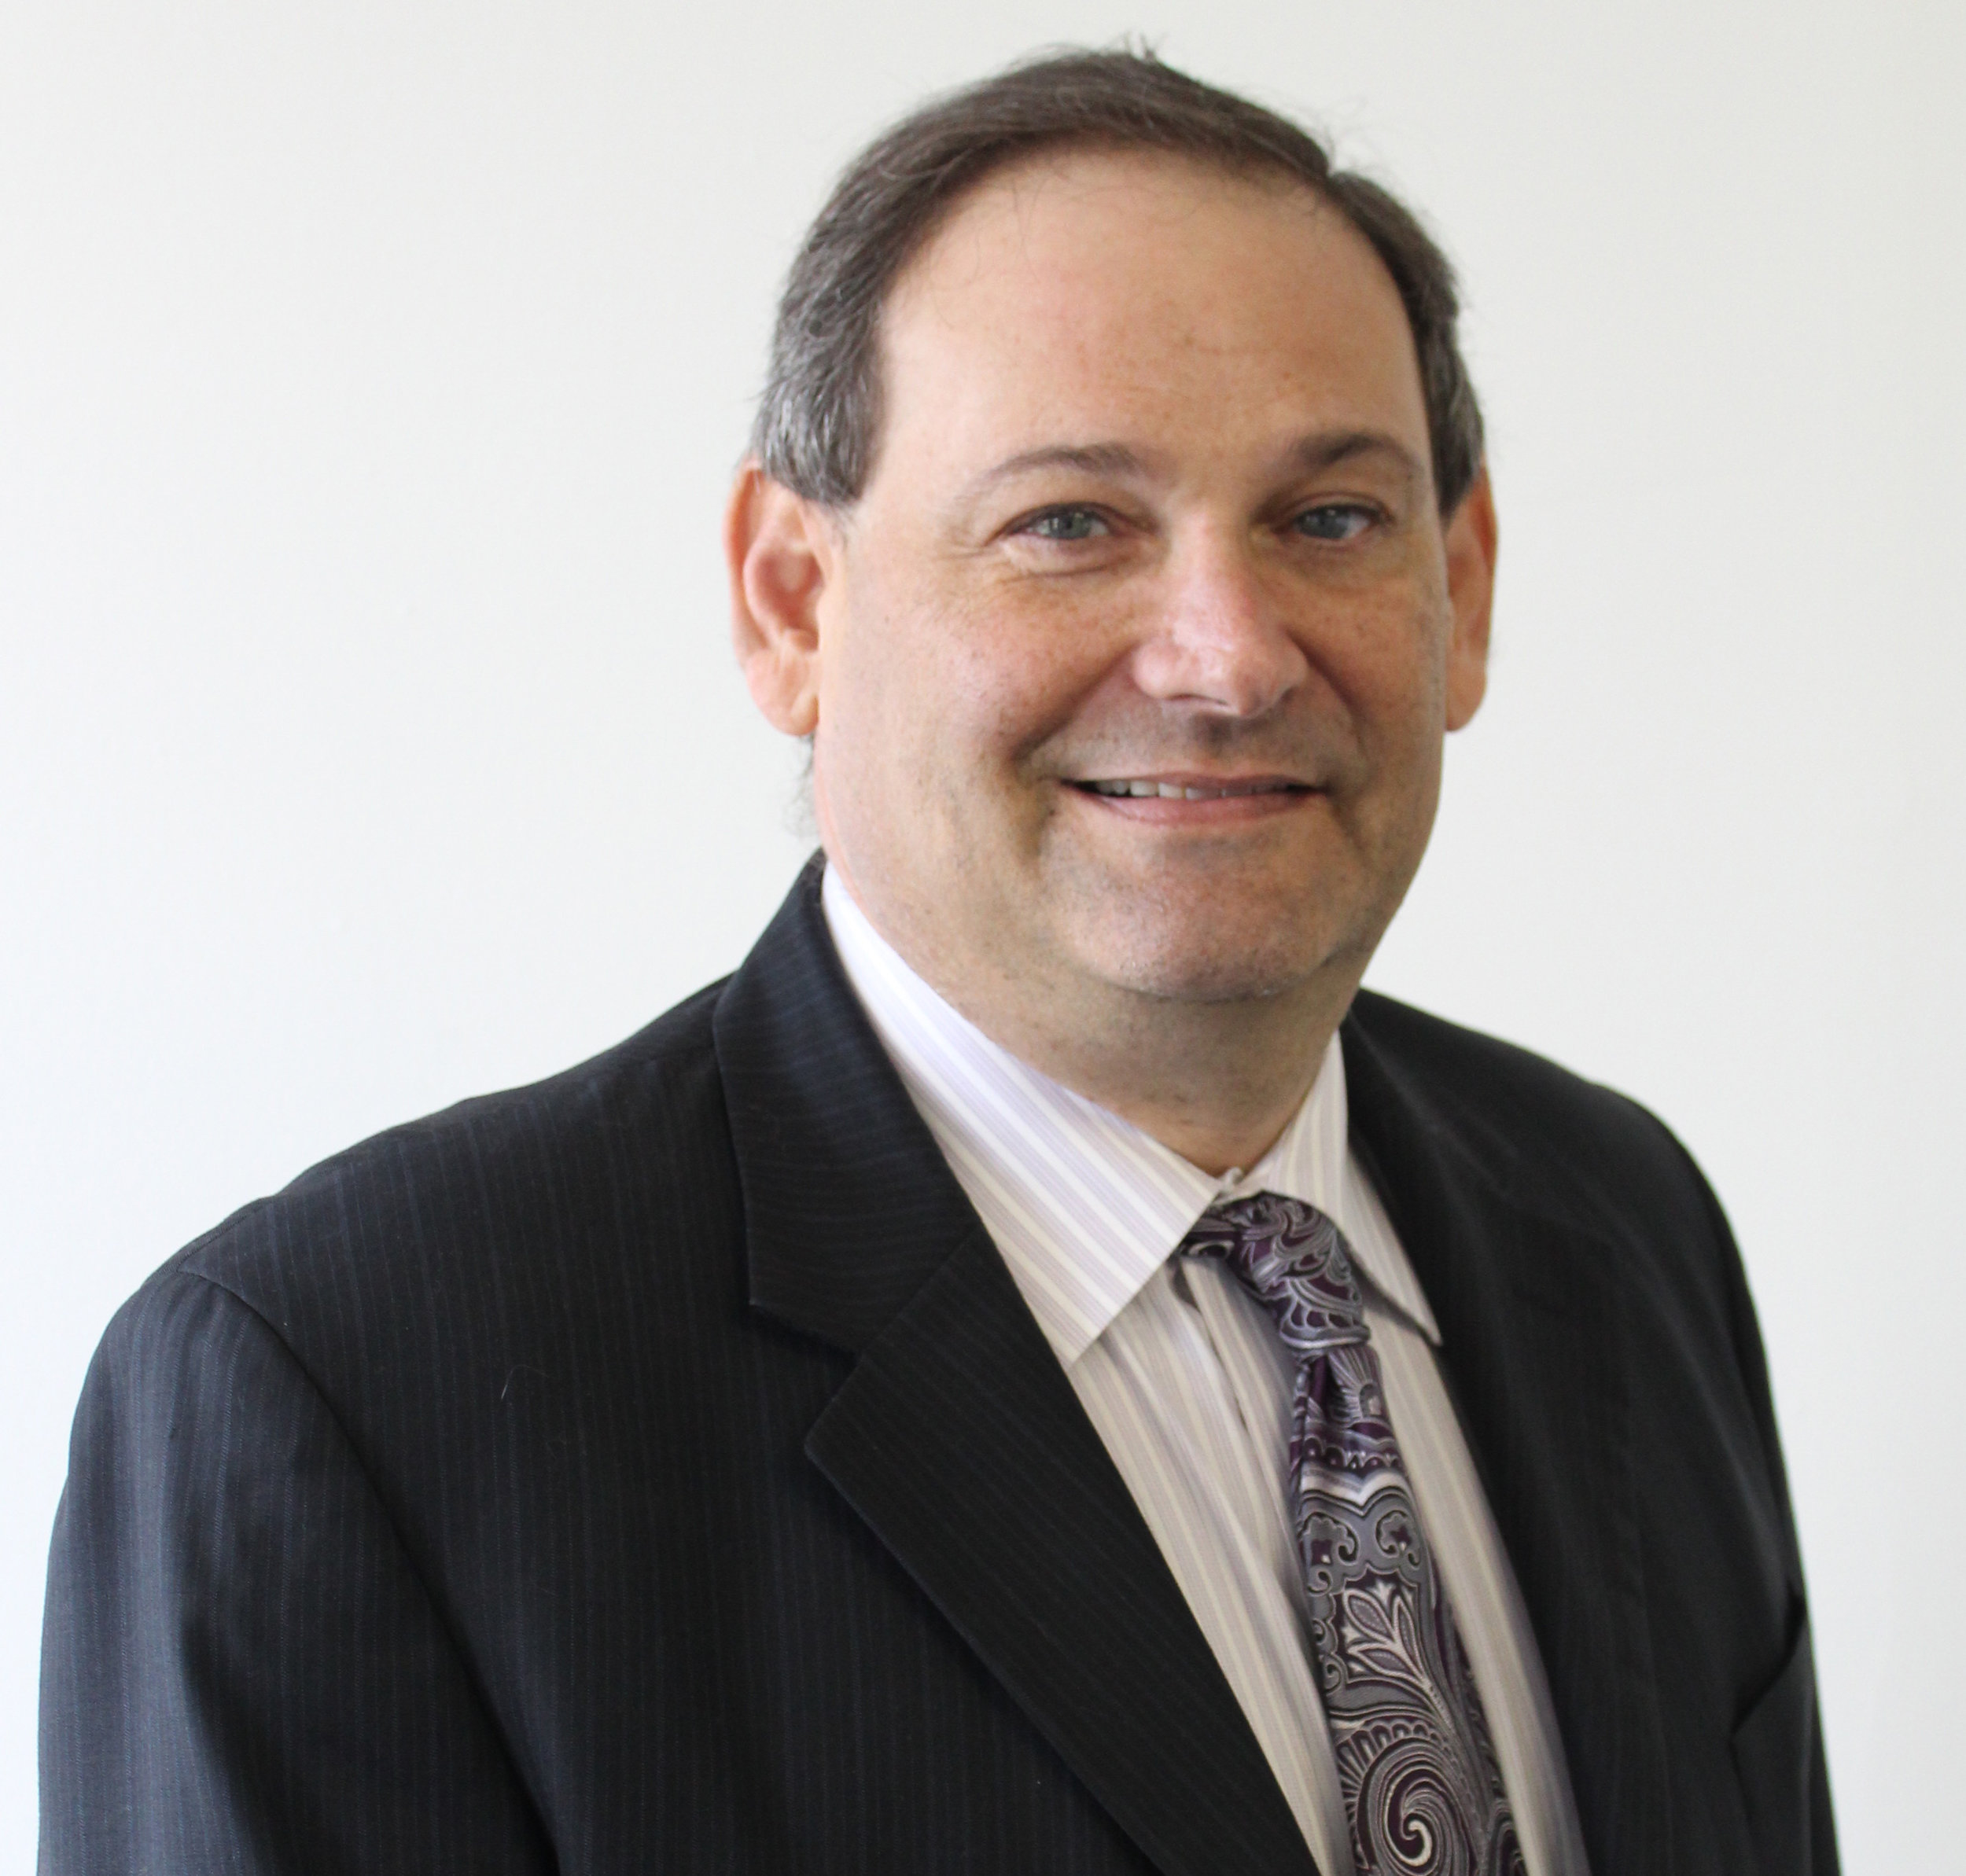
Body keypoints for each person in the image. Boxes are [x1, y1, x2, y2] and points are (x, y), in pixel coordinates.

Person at [39, 47, 1835, 1876]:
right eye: (1068, 523)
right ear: (789, 602)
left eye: (1327, 519)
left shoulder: (1621, 1227)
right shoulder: (346, 1393)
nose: (1225, 656)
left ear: (1464, 581)